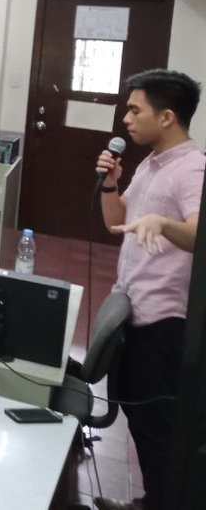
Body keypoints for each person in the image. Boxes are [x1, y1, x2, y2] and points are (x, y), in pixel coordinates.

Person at [93, 69, 202, 510]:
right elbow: (115, 220)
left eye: (135, 110)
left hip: (163, 323)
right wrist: (110, 182)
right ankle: (149, 501)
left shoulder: (193, 169)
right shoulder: (152, 163)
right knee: (138, 418)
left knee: (158, 431)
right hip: (134, 312)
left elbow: (198, 234)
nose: (126, 119)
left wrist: (164, 223)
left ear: (167, 116)